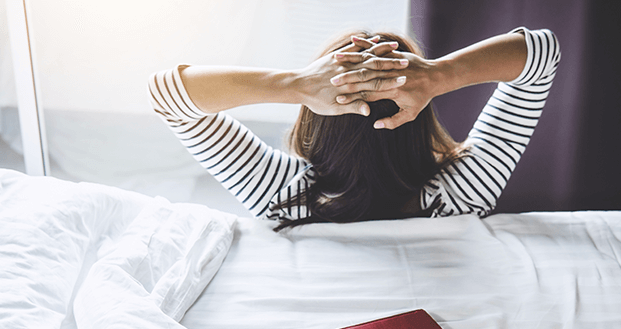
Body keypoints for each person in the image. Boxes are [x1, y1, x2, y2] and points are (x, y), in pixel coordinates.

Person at [148, 26, 560, 230]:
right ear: (419, 115)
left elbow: (166, 94)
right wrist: (439, 74)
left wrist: (296, 84)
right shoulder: (463, 195)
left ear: (314, 117)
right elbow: (542, 51)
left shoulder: (281, 196)